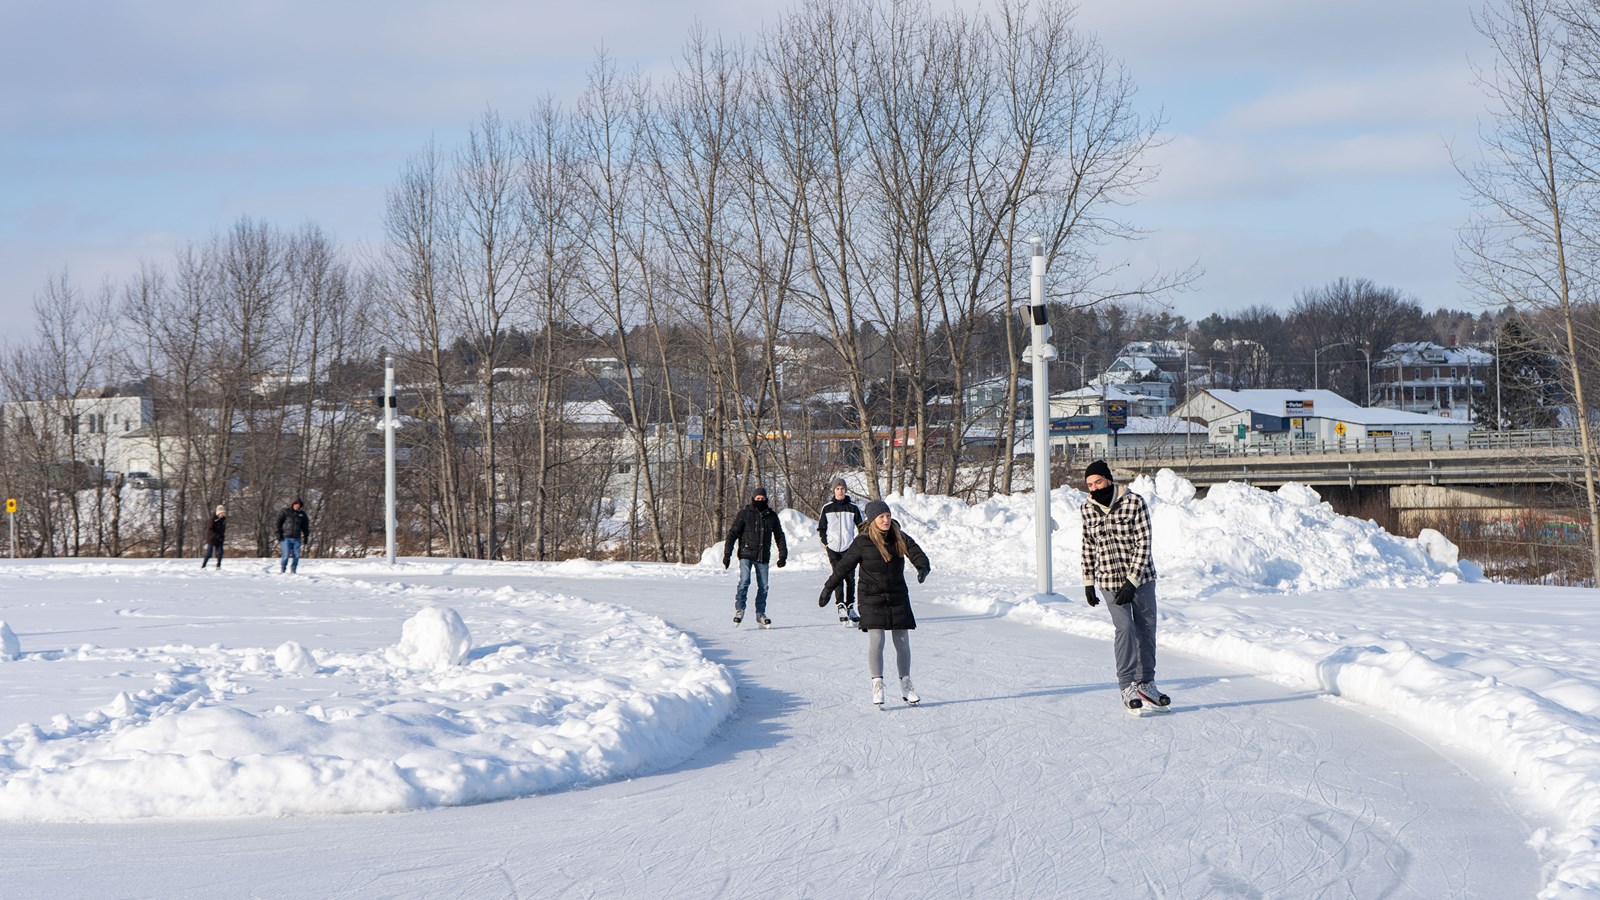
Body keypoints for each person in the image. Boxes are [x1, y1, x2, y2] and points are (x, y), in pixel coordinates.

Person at [818, 498, 930, 707]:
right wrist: (828, 588)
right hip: (871, 597)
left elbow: (916, 552)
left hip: (897, 595)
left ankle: (906, 684)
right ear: (872, 520)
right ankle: (877, 684)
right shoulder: (863, 541)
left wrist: (922, 567)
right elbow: (843, 567)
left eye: (888, 516)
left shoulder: (898, 536)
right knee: (877, 640)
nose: (886, 520)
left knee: (902, 641)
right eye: (881, 517)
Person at [1080, 460, 1168, 712]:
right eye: (1089, 484)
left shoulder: (1134, 502)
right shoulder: (1087, 509)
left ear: (1108, 479)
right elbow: (1087, 545)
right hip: (1108, 580)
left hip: (1141, 579)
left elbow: (1144, 542)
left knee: (1146, 629)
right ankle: (1127, 685)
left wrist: (1132, 581)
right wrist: (1088, 581)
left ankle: (1146, 683)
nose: (1094, 488)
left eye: (1098, 482)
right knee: (1125, 628)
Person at [722, 485, 787, 627]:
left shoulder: (772, 516)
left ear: (766, 499)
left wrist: (783, 555)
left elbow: (779, 536)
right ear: (753, 499)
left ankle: (760, 614)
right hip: (746, 554)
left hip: (762, 556)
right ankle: (740, 609)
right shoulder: (745, 514)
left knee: (763, 586)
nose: (760, 500)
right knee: (745, 581)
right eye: (757, 498)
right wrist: (727, 554)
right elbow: (733, 534)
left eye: (762, 498)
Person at [817, 478, 863, 625]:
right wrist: (826, 543)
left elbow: (861, 527)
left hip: (849, 548)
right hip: (833, 549)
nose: (840, 491)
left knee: (850, 577)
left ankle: (850, 606)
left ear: (845, 490)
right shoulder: (827, 508)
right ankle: (840, 605)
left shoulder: (853, 508)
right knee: (838, 576)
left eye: (842, 488)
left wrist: (857, 543)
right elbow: (821, 528)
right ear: (834, 490)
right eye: (837, 488)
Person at [275, 498, 311, 575]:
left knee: (297, 556)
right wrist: (278, 533)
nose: (297, 506)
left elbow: (305, 526)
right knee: (286, 555)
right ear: (293, 504)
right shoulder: (286, 512)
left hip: (296, 538)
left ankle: (293, 570)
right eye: (296, 504)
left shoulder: (302, 514)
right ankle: (283, 570)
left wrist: (306, 536)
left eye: (299, 505)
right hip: (285, 537)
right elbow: (278, 522)